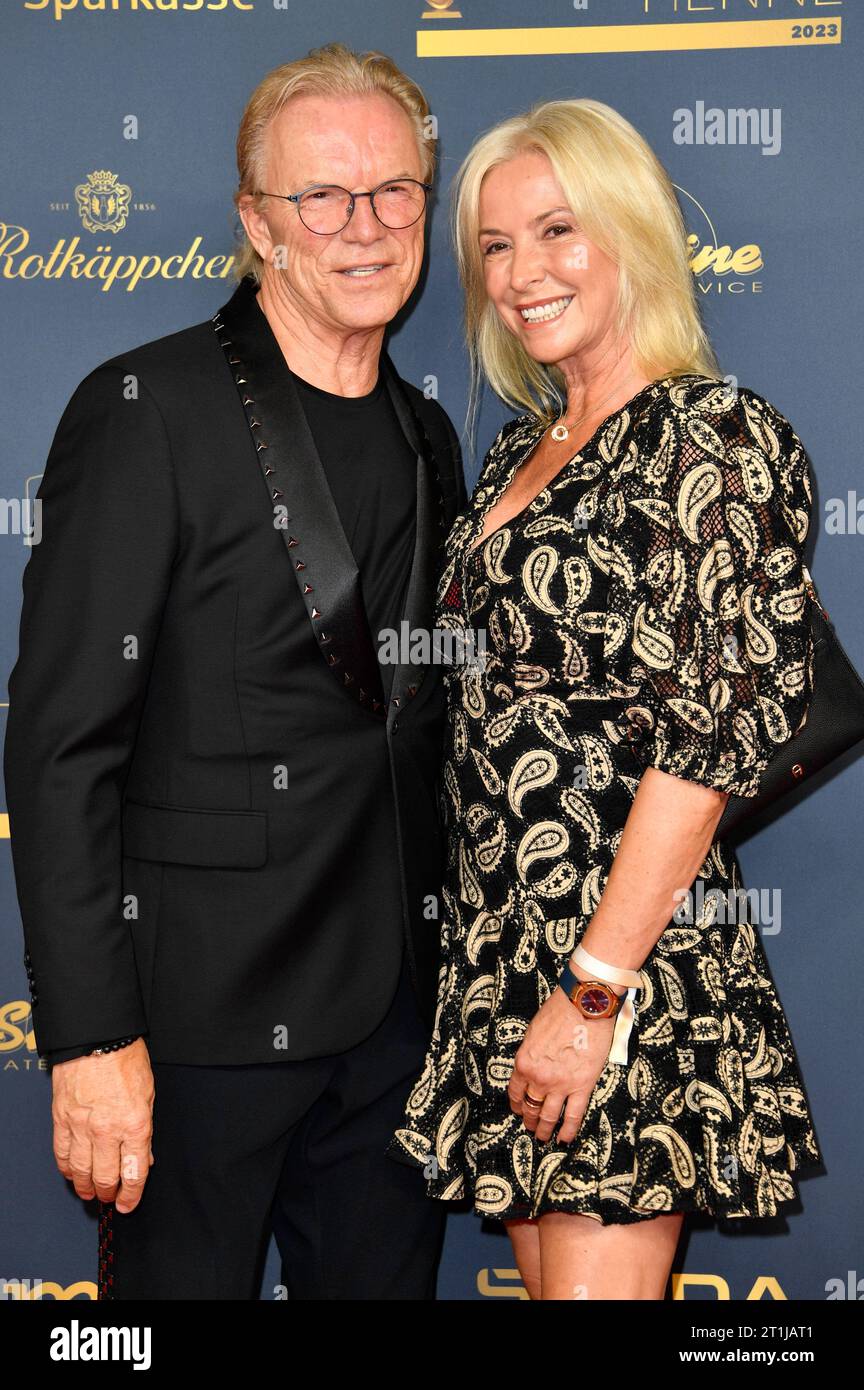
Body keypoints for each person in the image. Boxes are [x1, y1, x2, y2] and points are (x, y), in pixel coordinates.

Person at [4, 43, 467, 1300]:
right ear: (257, 223)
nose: (363, 228)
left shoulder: (429, 434)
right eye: (322, 197)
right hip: (195, 1030)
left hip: (393, 1027)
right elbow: (59, 750)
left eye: (394, 192)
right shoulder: (147, 406)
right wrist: (92, 1036)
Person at [387, 97, 824, 1300]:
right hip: (502, 950)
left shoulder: (710, 440)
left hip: (616, 961)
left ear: (630, 230)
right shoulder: (519, 448)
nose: (522, 274)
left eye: (558, 230)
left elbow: (710, 746)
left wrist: (593, 991)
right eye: (495, 245)